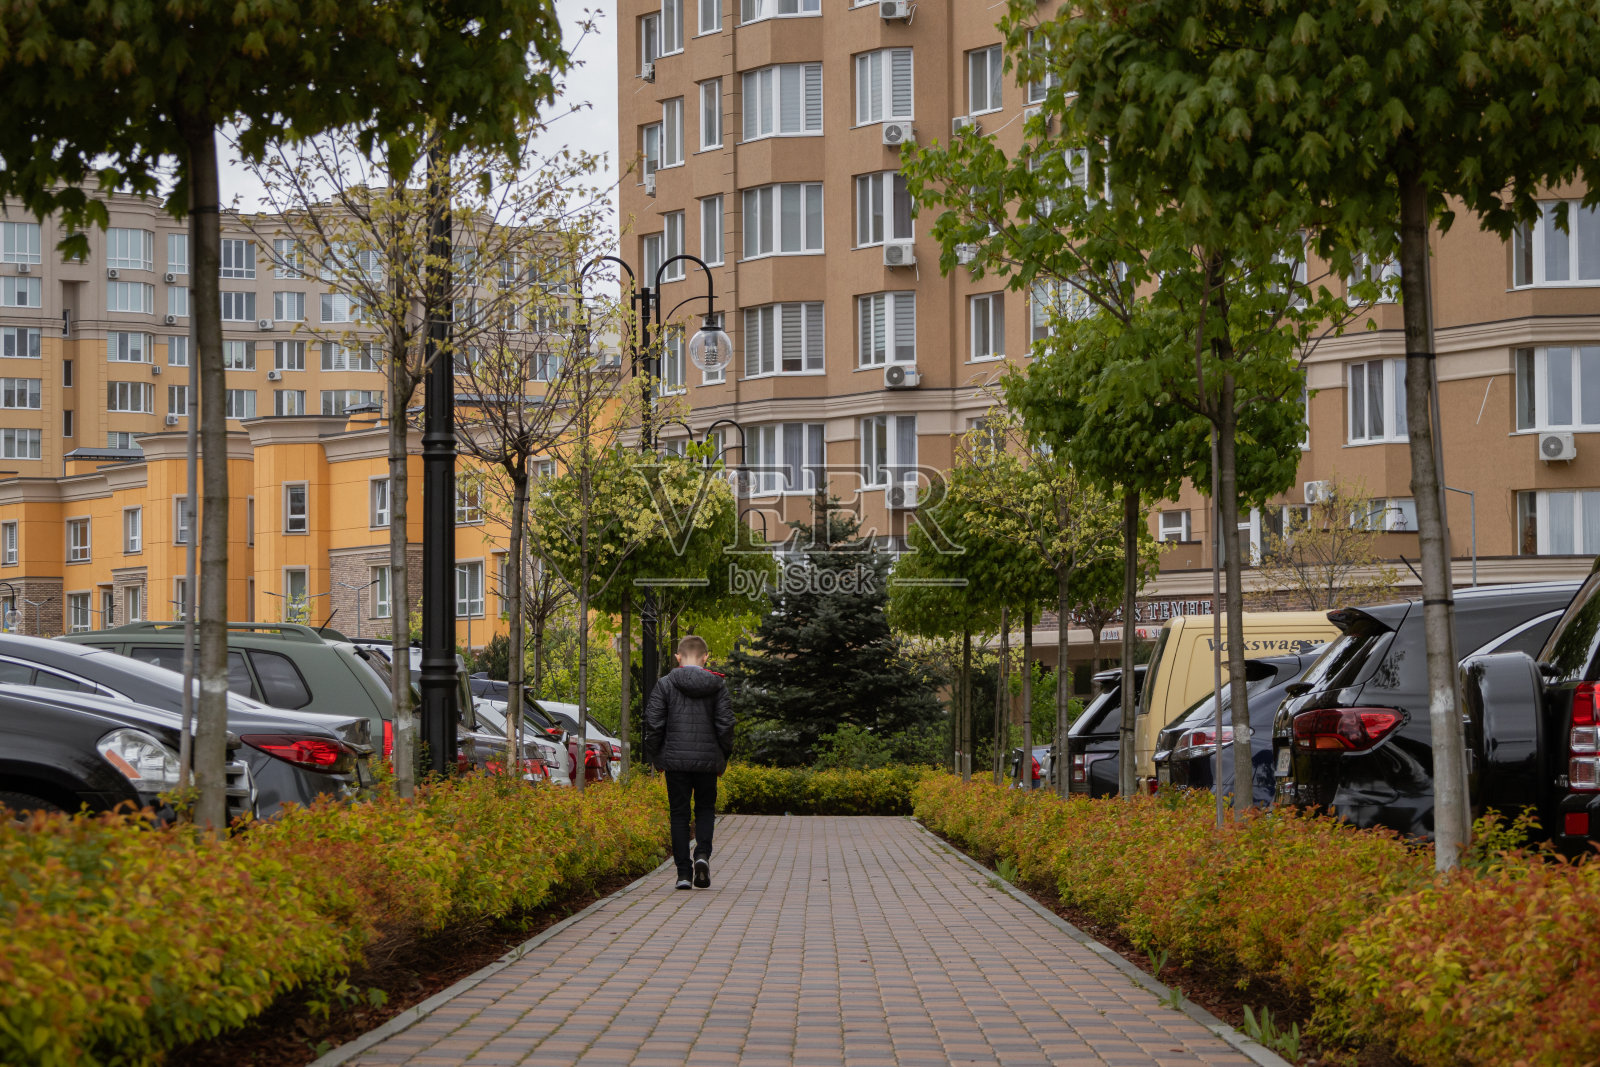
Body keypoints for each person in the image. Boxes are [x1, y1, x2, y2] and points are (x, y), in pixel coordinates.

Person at [643, 634, 734, 890]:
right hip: (707, 762)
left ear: (678, 657)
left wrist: (657, 757)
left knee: (679, 814)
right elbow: (726, 725)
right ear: (706, 657)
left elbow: (653, 724)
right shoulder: (717, 686)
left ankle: (683, 873)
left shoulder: (664, 684)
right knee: (705, 809)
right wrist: (722, 757)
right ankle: (702, 855)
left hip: (675, 762)